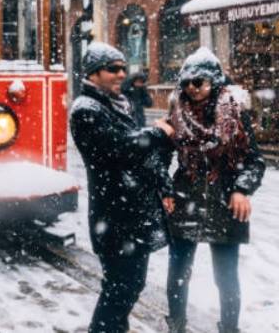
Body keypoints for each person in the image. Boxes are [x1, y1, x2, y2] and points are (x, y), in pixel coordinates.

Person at [70, 42, 175, 333]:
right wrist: (156, 133)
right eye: (112, 69)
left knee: (128, 285)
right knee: (120, 287)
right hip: (114, 216)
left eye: (122, 68)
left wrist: (163, 185)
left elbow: (142, 156)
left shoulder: (118, 104)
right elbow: (119, 148)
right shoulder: (86, 109)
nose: (120, 74)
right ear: (93, 74)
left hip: (130, 214)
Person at [163, 47, 265, 333]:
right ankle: (176, 326)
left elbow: (254, 161)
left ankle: (229, 329)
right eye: (186, 83)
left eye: (199, 82)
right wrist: (165, 188)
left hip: (224, 200)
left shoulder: (235, 113)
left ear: (214, 81)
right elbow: (159, 158)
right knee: (179, 273)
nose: (192, 89)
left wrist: (241, 189)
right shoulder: (176, 112)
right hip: (186, 199)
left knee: (226, 277)